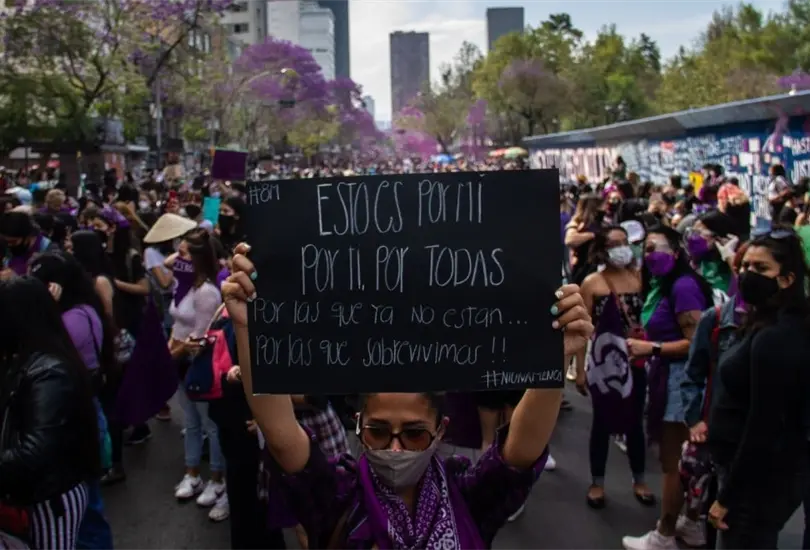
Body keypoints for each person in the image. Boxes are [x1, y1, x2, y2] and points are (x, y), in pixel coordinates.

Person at [221, 243, 594, 548]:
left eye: (414, 433)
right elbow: (281, 434)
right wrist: (247, 328)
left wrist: (555, 359)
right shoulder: (338, 495)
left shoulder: (467, 495)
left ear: (440, 430)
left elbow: (520, 451)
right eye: (379, 431)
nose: (395, 448)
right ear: (358, 425)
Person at [707, 228, 810, 550]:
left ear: (787, 279)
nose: (748, 274)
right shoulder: (766, 322)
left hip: (757, 483)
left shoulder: (777, 337)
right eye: (745, 266)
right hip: (753, 473)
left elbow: (764, 423)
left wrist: (729, 496)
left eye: (761, 268)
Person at [623, 224, 713, 550]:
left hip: (681, 383)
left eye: (655, 248)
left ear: (675, 252)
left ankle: (664, 534)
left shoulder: (683, 287)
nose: (648, 255)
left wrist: (652, 348)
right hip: (672, 378)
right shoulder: (664, 285)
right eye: (645, 249)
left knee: (674, 463)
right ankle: (691, 524)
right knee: (688, 460)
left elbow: (696, 343)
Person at [0, 276, 101, 549]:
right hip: (34, 494)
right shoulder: (24, 360)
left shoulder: (49, 372)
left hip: (49, 498)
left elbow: (36, 452)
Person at [577, 226, 653, 509]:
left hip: (637, 362)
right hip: (604, 366)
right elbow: (581, 330)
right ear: (602, 249)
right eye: (614, 244)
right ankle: (597, 482)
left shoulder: (640, 278)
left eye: (625, 242)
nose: (622, 248)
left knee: (635, 424)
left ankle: (640, 479)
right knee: (601, 423)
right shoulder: (592, 283)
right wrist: (580, 370)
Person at [169, 228, 228, 520]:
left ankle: (217, 479)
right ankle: (192, 473)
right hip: (180, 361)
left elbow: (202, 339)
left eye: (183, 253)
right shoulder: (183, 285)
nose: (176, 258)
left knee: (210, 425)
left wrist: (176, 351)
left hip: (198, 365)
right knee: (191, 422)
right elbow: (177, 325)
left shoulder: (206, 293)